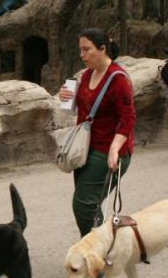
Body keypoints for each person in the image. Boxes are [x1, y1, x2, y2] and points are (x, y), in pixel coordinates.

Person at [58, 29, 136, 237]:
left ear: (102, 49)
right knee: (90, 205)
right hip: (85, 149)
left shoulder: (118, 79)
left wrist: (114, 148)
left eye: (86, 49)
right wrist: (66, 97)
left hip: (108, 152)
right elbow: (84, 108)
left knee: (84, 205)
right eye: (80, 50)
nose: (82, 55)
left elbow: (128, 119)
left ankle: (95, 253)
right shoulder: (86, 75)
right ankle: (104, 247)